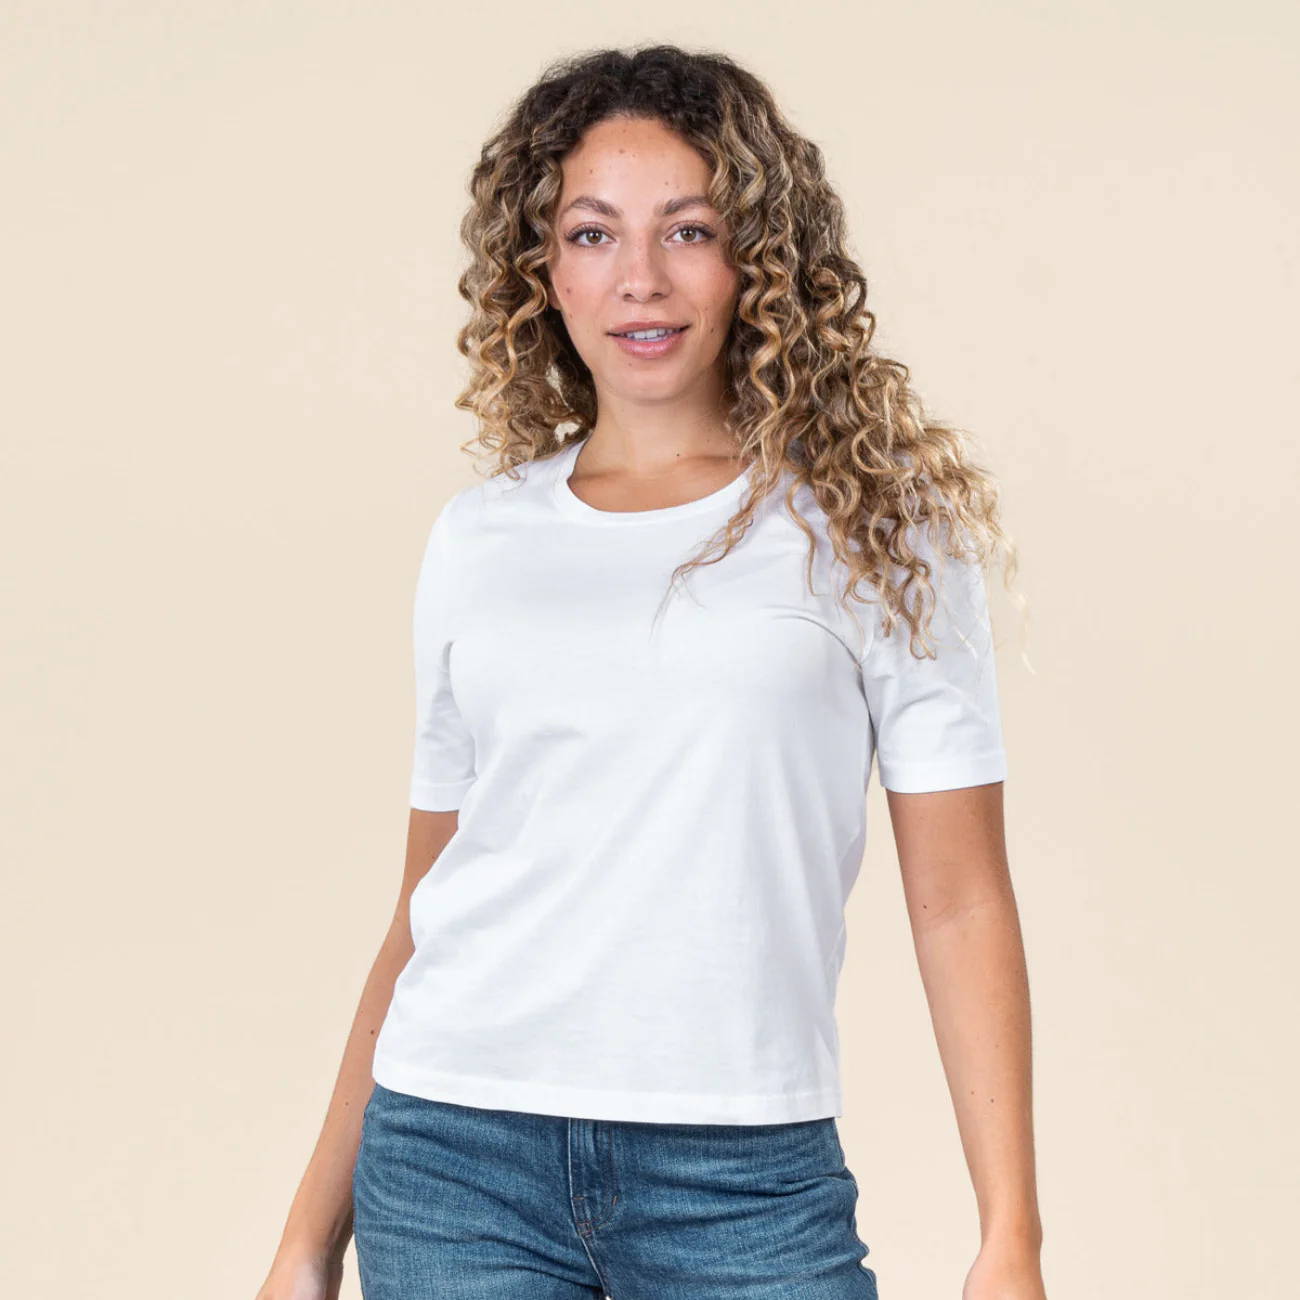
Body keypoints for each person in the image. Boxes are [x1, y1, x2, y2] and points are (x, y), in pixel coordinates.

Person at [255, 43, 1045, 1300]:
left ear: (757, 260)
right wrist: (306, 1240)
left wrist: (1011, 1235)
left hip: (742, 1178)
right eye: (592, 234)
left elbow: (957, 899)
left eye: (688, 229)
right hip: (453, 1158)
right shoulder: (481, 538)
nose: (640, 278)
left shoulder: (875, 530)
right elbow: (425, 904)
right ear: (542, 272)